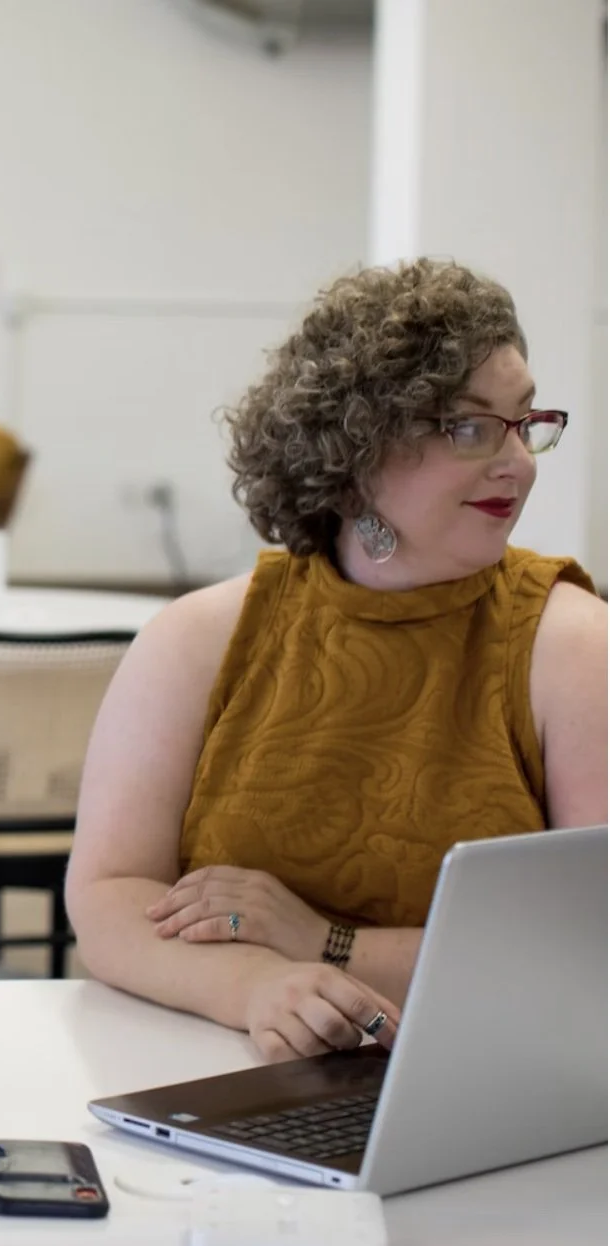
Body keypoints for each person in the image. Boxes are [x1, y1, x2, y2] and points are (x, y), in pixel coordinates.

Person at [66, 258, 606, 1065]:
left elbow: (589, 946)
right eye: (468, 428)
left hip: (482, 1078)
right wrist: (255, 985)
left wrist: (326, 945)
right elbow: (108, 896)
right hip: (216, 1068)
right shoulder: (199, 640)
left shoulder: (574, 647)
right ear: (354, 452)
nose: (519, 462)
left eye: (523, 422)